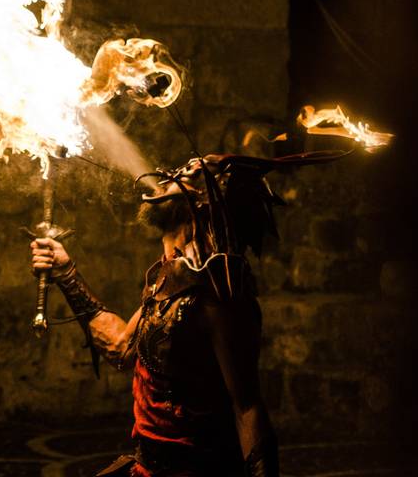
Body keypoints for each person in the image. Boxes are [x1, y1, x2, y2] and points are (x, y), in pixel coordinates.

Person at [28, 152, 342, 477]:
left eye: (190, 171)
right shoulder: (171, 276)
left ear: (208, 198)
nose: (168, 172)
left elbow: (247, 406)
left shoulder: (218, 293)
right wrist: (66, 273)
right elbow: (121, 347)